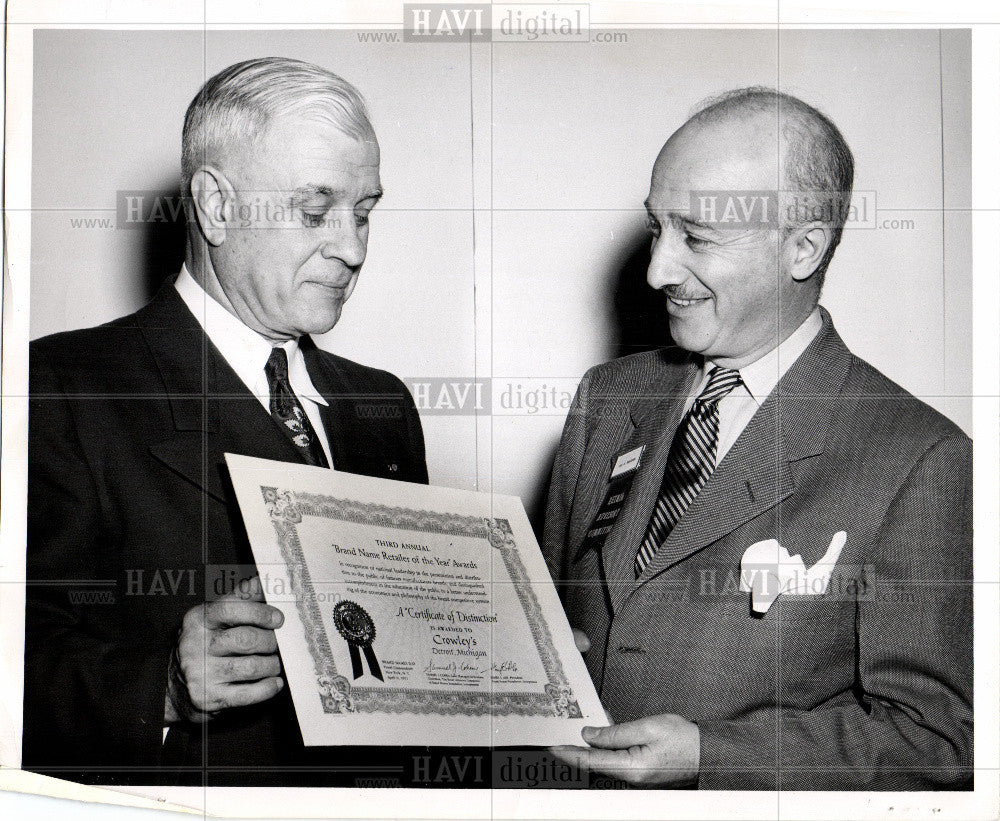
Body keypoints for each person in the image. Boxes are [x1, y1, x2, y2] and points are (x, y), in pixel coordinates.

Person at [23, 58, 440, 787]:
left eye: (364, 210)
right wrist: (161, 687)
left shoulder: (386, 407)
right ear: (215, 205)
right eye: (316, 210)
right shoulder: (61, 388)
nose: (354, 248)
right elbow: (17, 656)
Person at [544, 88, 973, 790]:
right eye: (657, 228)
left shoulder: (920, 458)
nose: (658, 269)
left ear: (802, 247)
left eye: (698, 236)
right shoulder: (609, 396)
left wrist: (713, 753)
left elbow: (934, 738)